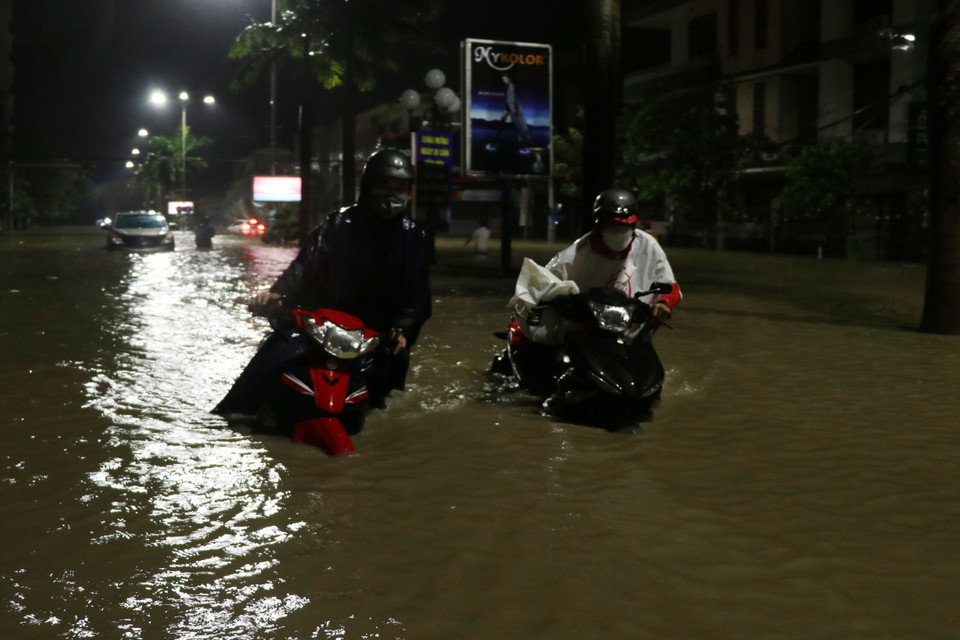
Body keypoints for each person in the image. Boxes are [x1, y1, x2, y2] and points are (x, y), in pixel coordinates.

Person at [213, 149, 432, 414]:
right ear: (369, 185)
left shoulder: (414, 237)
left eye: (399, 187)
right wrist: (278, 294)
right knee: (272, 357)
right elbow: (305, 265)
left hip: (376, 337)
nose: (392, 194)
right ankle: (233, 414)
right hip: (323, 327)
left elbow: (417, 292)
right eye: (384, 184)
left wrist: (403, 329)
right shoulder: (338, 224)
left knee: (390, 390)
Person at [543, 188, 680, 327]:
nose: (617, 232)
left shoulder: (647, 246)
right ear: (599, 224)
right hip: (587, 329)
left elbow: (669, 283)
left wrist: (664, 303)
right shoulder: (576, 255)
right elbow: (545, 285)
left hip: (632, 330)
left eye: (623, 227)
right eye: (611, 226)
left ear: (633, 225)